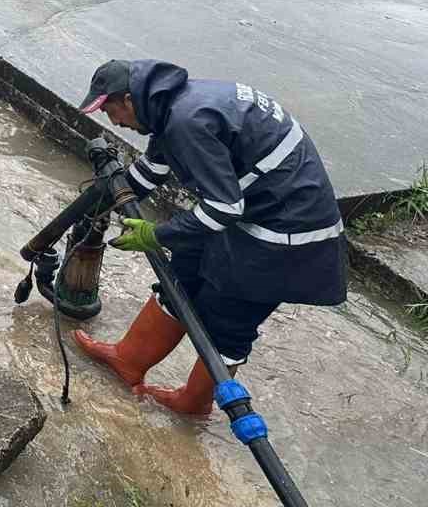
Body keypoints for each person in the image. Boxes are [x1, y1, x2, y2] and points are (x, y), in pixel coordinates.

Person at [71, 58, 346, 415]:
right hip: (252, 209)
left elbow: (224, 209)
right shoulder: (170, 106)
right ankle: (128, 360)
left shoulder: (187, 121)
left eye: (111, 111)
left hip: (287, 234)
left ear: (128, 99)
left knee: (228, 316)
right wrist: (98, 206)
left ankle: (193, 404)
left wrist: (157, 234)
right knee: (183, 273)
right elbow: (151, 171)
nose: (114, 122)